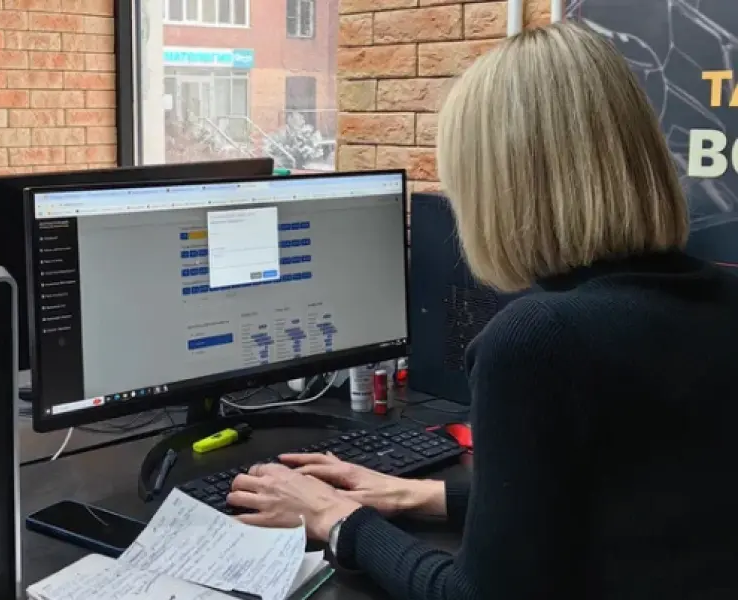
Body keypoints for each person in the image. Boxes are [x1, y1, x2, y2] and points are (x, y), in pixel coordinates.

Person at [225, 21, 738, 600]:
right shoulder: (719, 297)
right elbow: (625, 499)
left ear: (499, 187)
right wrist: (412, 494)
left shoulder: (540, 339)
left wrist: (339, 520)